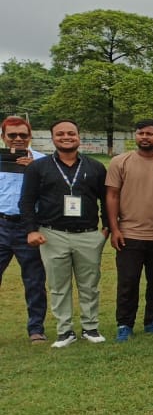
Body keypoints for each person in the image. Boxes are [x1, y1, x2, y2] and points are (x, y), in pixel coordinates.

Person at [20, 119, 109, 347]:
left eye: (71, 133)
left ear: (79, 136)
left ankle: (90, 327)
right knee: (58, 286)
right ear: (53, 138)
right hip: (52, 234)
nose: (66, 137)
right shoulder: (38, 168)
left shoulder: (95, 167)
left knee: (90, 284)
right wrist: (31, 230)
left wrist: (107, 227)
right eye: (60, 134)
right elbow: (27, 201)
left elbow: (106, 200)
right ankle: (65, 331)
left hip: (88, 234)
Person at [106, 119, 153, 341]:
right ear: (135, 136)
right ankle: (124, 324)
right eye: (140, 133)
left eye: (150, 134)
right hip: (129, 234)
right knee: (128, 281)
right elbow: (112, 196)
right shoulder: (120, 162)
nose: (145, 137)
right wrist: (115, 228)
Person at [0, 116, 47, 342]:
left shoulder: (42, 162)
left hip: (28, 227)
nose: (18, 139)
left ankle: (36, 328)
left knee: (34, 280)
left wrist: (35, 171)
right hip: (1, 224)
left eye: (23, 135)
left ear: (30, 137)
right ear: (3, 137)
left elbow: (52, 195)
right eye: (12, 135)